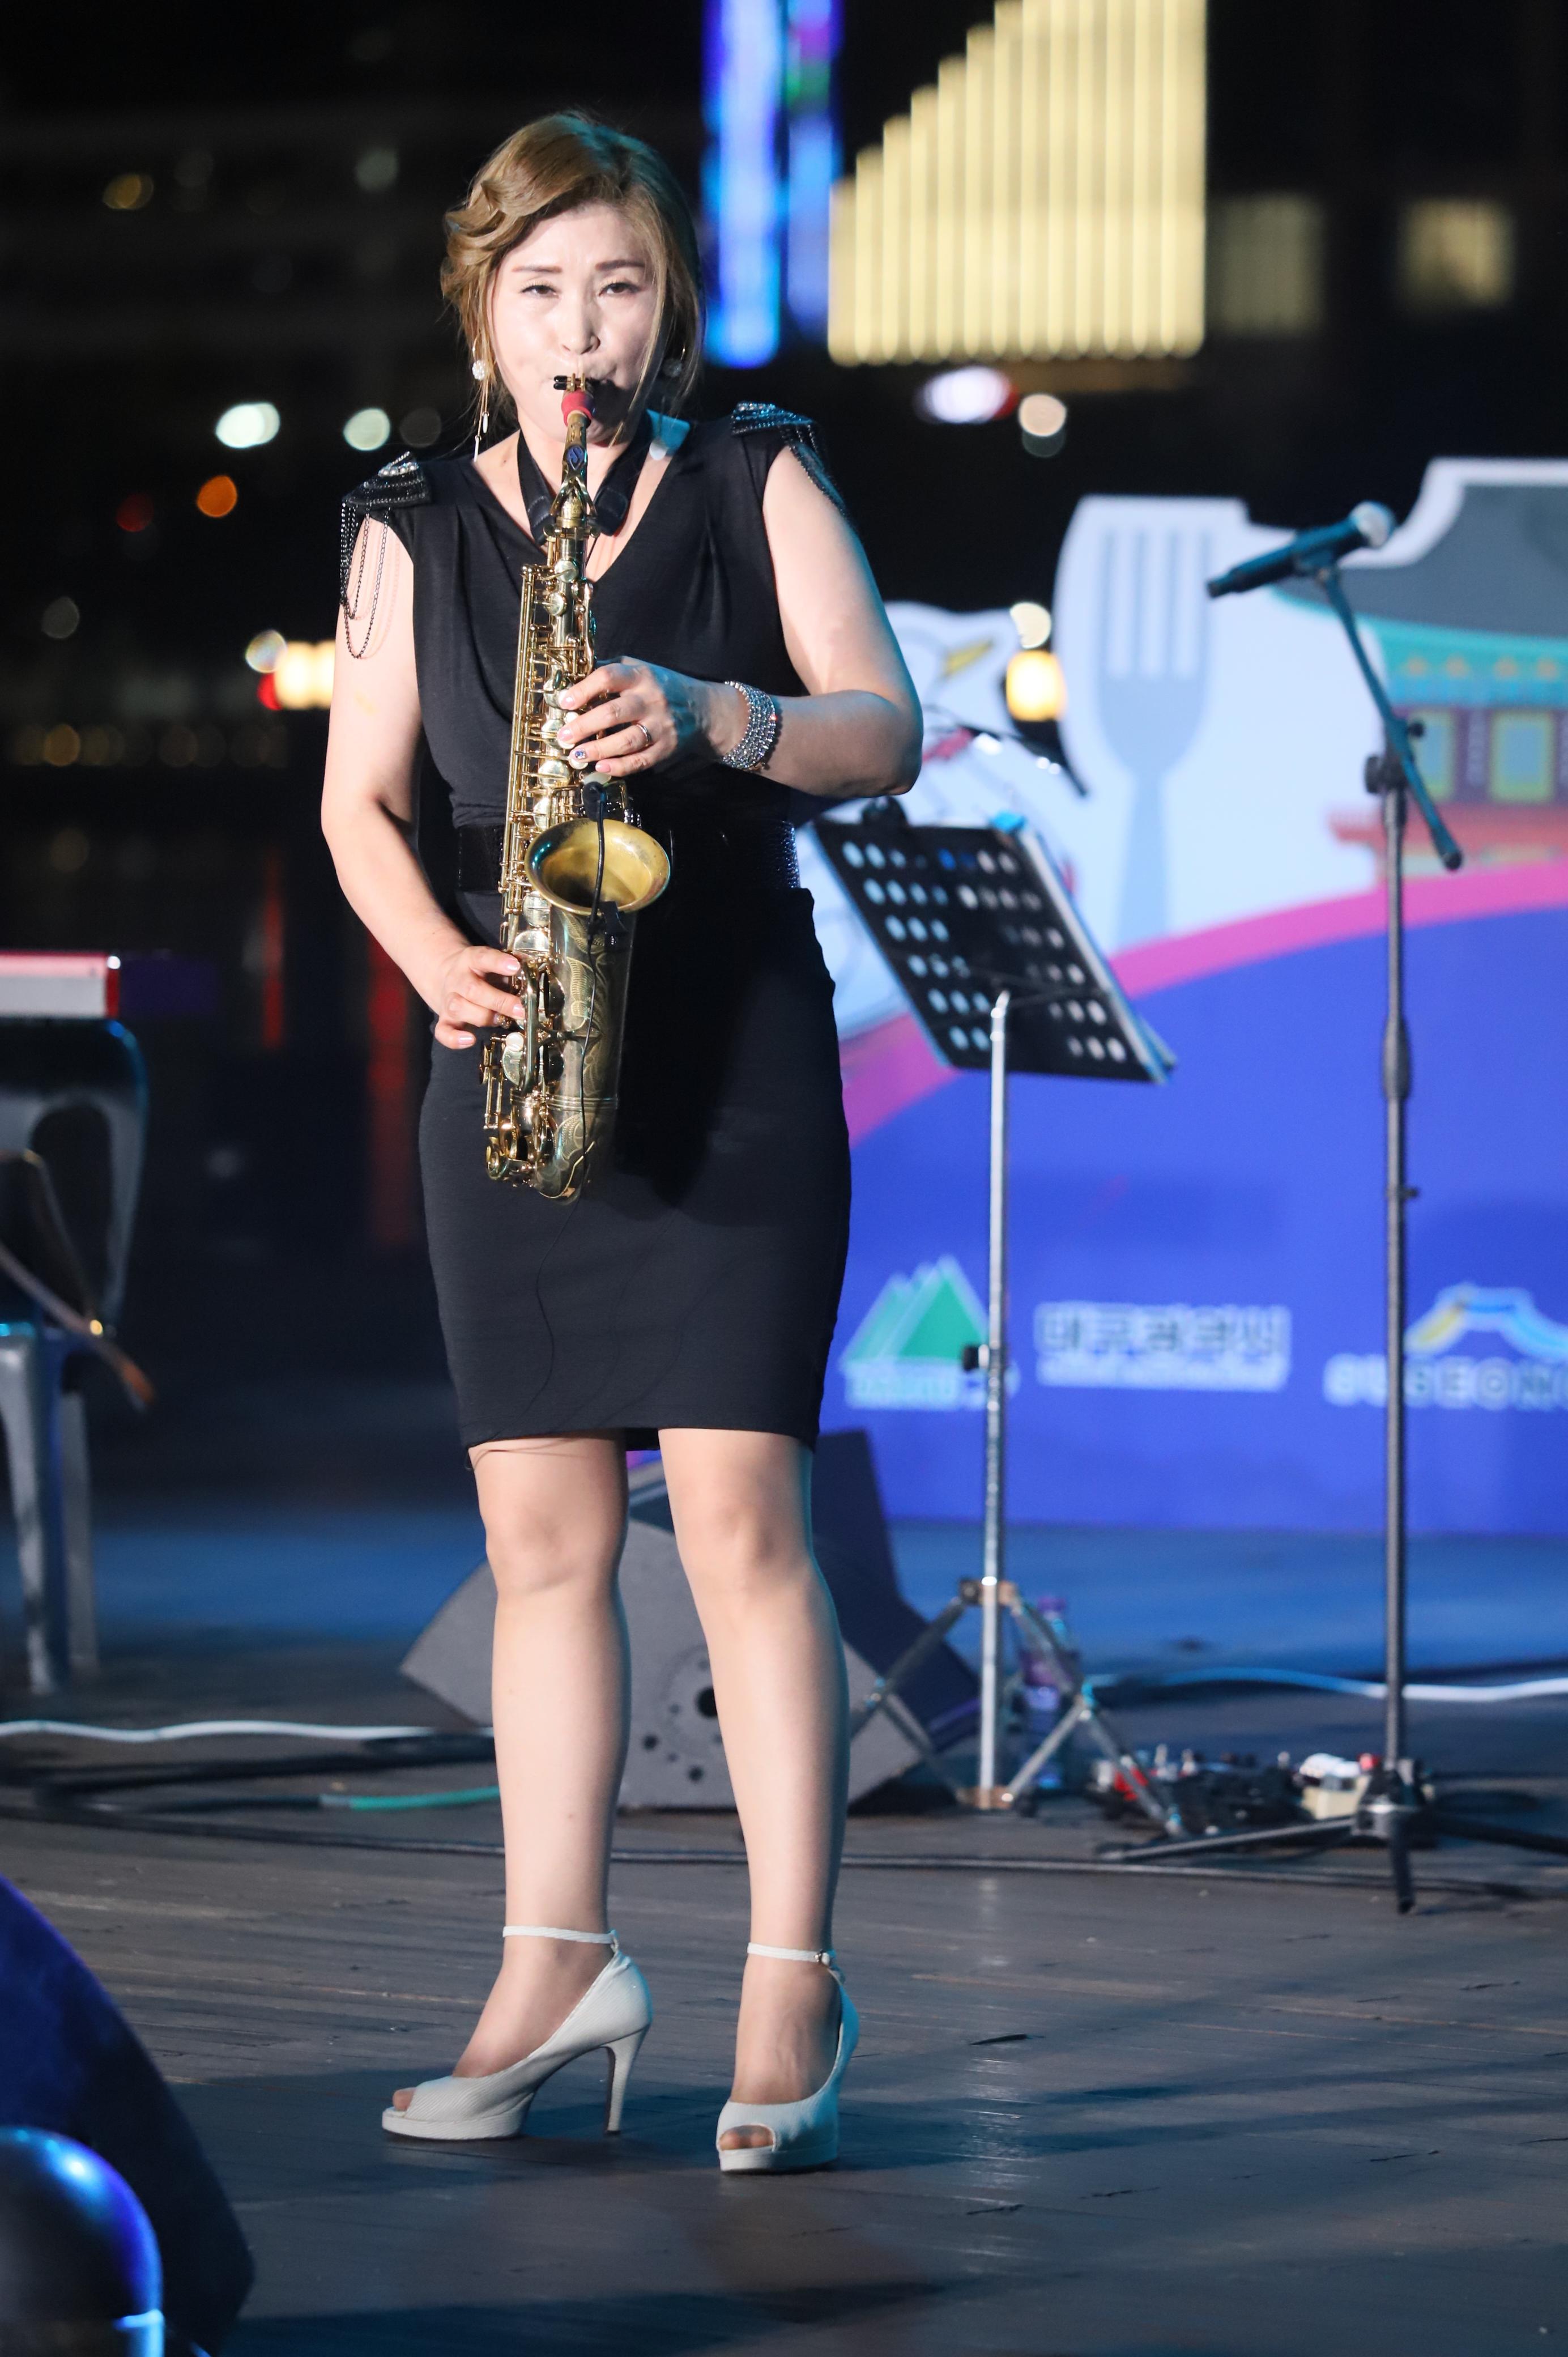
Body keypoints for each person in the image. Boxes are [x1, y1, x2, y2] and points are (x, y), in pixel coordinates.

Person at [321, 112, 921, 2173]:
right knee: (540, 1550)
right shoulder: (405, 517)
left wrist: (710, 709)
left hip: (730, 1033)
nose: (583, 327)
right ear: (483, 314)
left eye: (623, 287)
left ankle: (791, 1979)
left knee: (743, 1524)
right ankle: (554, 1965)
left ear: (667, 310)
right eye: (543, 290)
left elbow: (880, 726)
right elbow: (359, 805)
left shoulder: (755, 472)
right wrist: (435, 961)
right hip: (517, 1039)